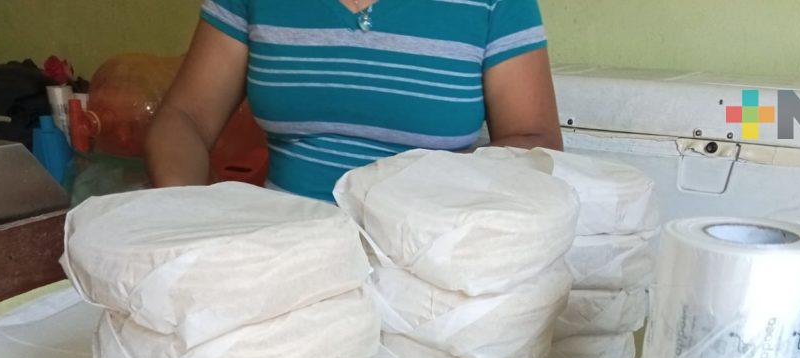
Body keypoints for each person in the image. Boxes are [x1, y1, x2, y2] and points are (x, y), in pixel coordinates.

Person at [146, 0, 562, 201]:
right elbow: (185, 117)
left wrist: (410, 198)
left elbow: (535, 140)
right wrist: (183, 209)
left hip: (425, 269)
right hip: (281, 258)